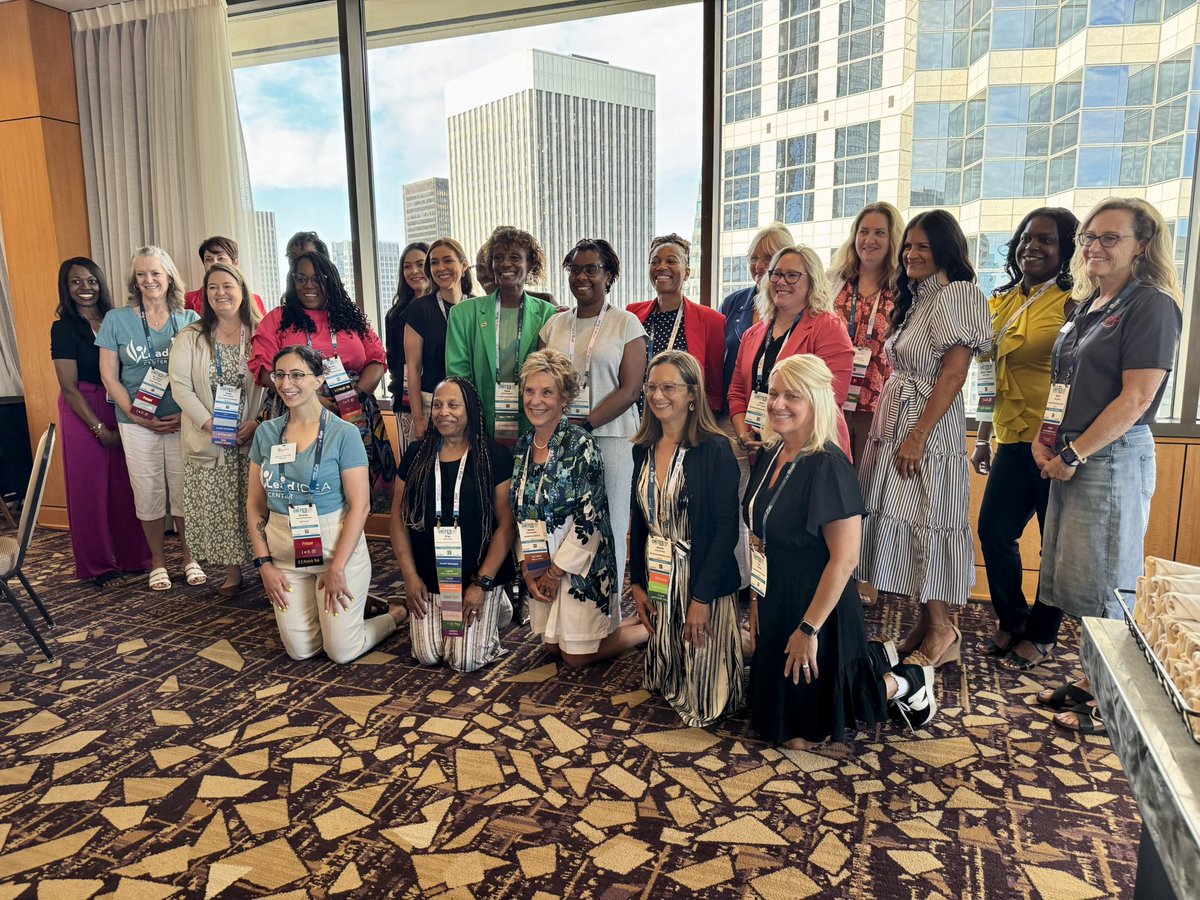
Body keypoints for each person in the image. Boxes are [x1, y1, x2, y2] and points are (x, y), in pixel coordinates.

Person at [1034, 198, 1182, 735]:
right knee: (1080, 581)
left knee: (1109, 585)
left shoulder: (1152, 305)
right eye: (1089, 237)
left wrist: (1076, 453)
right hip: (1072, 453)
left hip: (1110, 457)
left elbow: (1136, 398)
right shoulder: (1088, 304)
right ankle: (1093, 678)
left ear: (1142, 245)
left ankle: (1114, 700)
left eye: (1110, 238)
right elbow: (1063, 384)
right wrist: (1045, 439)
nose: (1094, 246)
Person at [744, 354, 937, 748]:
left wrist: (808, 629)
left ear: (816, 401)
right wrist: (756, 599)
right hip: (775, 595)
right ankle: (874, 657)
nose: (778, 404)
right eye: (774, 394)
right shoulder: (770, 453)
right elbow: (760, 534)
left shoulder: (829, 465)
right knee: (769, 722)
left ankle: (905, 681)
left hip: (820, 606)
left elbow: (846, 559)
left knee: (802, 739)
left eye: (792, 396)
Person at [855, 210, 992, 668]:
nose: (911, 254)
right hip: (897, 420)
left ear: (945, 250)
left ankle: (943, 630)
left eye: (923, 247)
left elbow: (954, 374)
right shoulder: (919, 296)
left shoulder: (958, 294)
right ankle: (925, 623)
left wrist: (918, 435)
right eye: (909, 246)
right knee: (908, 521)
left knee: (928, 521)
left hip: (926, 425)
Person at [969, 208, 1079, 670]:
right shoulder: (1002, 300)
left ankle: (1044, 632)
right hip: (1012, 438)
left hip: (1056, 443)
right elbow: (989, 374)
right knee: (994, 532)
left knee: (1054, 543)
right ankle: (1013, 619)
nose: (1032, 247)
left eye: (1046, 240)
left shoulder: (1075, 302)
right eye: (1026, 239)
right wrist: (983, 436)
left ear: (1066, 249)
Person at [247, 345, 405, 663]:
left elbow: (360, 506)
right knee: (301, 650)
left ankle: (393, 615)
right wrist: (264, 565)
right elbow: (254, 504)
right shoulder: (266, 433)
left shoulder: (344, 434)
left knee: (342, 651)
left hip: (336, 553)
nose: (286, 384)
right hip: (285, 554)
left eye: (297, 375)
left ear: (319, 380)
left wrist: (337, 568)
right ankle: (342, 614)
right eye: (280, 375)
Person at [510, 349, 648, 666]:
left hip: (582, 561)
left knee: (575, 657)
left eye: (547, 392)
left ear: (564, 399)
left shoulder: (581, 444)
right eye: (530, 391)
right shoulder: (522, 446)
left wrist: (555, 572)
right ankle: (622, 626)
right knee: (553, 648)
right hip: (540, 558)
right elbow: (520, 514)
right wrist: (529, 569)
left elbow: (590, 519)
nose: (536, 401)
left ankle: (647, 631)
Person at [629, 350, 744, 727]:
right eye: (651, 387)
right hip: (660, 568)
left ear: (693, 394)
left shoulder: (715, 449)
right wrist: (637, 581)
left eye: (669, 387)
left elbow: (726, 531)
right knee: (664, 675)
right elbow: (639, 520)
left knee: (704, 701)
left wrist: (701, 598)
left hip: (702, 575)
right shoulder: (643, 448)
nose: (657, 395)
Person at [250, 252, 396, 512]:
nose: (309, 285)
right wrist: (312, 399)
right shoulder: (278, 319)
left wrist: (355, 395)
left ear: (332, 281)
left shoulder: (351, 318)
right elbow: (263, 369)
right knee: (297, 482)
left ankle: (352, 532)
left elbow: (376, 359)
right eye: (301, 278)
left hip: (352, 409)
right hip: (294, 406)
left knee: (354, 484)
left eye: (318, 279)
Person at [540, 238, 646, 589]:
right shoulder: (554, 325)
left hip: (612, 439)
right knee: (563, 521)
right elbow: (541, 380)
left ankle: (609, 606)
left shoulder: (626, 324)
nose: (581, 277)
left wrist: (584, 424)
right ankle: (567, 605)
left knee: (609, 522)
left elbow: (630, 389)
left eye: (591, 269)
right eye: (575, 270)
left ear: (609, 275)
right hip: (559, 440)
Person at [391, 377, 516, 672]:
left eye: (453, 405)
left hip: (477, 576)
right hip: (430, 575)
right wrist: (410, 577)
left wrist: (482, 583)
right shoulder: (416, 455)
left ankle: (497, 605)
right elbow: (397, 517)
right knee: (427, 655)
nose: (443, 412)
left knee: (464, 661)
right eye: (437, 405)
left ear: (470, 409)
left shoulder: (495, 456)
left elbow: (506, 525)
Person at [96, 246, 202, 591]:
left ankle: (189, 557)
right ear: (134, 280)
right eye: (141, 274)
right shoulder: (116, 320)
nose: (148, 280)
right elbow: (109, 375)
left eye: (155, 272)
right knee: (148, 491)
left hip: (181, 420)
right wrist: (136, 414)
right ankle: (158, 561)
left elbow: (200, 375)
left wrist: (186, 413)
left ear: (168, 276)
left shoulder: (189, 319)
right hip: (136, 423)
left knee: (185, 491)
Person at [51, 257, 151, 585]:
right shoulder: (64, 327)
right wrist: (98, 429)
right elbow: (68, 386)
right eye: (76, 281)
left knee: (125, 486)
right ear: (66, 287)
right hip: (82, 407)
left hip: (116, 401)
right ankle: (98, 566)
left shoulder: (116, 319)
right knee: (89, 490)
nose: (85, 288)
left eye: (91, 281)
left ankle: (134, 557)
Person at [169, 263, 265, 597]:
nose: (220, 293)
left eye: (227, 286)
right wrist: (210, 423)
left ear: (242, 290)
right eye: (212, 287)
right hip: (209, 436)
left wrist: (258, 423)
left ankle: (266, 566)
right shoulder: (191, 337)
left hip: (253, 435)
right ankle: (232, 571)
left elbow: (276, 383)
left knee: (258, 502)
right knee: (223, 508)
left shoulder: (261, 333)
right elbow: (181, 387)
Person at [716, 223, 793, 595]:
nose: (760, 266)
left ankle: (775, 583)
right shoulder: (734, 304)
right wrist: (739, 424)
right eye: (754, 258)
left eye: (769, 258)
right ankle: (743, 580)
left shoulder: (804, 313)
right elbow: (726, 368)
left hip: (785, 422)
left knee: (776, 501)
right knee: (736, 502)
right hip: (737, 419)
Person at [728, 245, 854, 459]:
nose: (781, 281)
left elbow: (831, 398)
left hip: (811, 452)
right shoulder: (752, 334)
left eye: (792, 275)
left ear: (812, 281)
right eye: (776, 274)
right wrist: (744, 434)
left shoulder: (828, 327)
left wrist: (776, 437)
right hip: (762, 451)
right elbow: (737, 392)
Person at [446, 227, 558, 443]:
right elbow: (459, 378)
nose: (505, 264)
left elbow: (551, 376)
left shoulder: (549, 314)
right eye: (498, 258)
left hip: (534, 424)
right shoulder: (463, 314)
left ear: (530, 264)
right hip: (480, 427)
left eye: (514, 257)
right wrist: (472, 426)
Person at [829, 202, 904, 465]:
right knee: (832, 473)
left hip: (879, 402)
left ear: (893, 239)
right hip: (833, 398)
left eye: (879, 233)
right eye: (863, 232)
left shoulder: (902, 289)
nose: (869, 240)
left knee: (867, 478)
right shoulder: (834, 282)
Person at [628, 234, 726, 414]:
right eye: (655, 261)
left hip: (685, 421)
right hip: (637, 417)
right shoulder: (632, 314)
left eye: (671, 261)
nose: (661, 267)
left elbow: (714, 388)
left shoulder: (711, 320)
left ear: (687, 272)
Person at [403, 238, 475, 443]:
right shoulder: (419, 309)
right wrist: (418, 419)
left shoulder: (477, 306)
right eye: (434, 263)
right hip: (432, 405)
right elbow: (413, 369)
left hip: (469, 405)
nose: (441, 268)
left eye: (448, 260)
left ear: (464, 265)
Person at [383, 241, 430, 453]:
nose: (414, 271)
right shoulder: (395, 315)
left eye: (420, 264)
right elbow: (393, 363)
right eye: (407, 266)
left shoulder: (450, 309)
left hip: (440, 399)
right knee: (410, 461)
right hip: (405, 403)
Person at [182, 236, 266, 316]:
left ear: (235, 263)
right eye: (209, 259)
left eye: (221, 259)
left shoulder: (254, 300)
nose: (214, 263)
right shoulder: (187, 300)